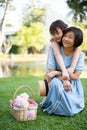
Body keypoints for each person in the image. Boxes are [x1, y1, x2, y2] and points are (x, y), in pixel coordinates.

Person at [40, 26, 85, 116]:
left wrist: (57, 72)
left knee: (70, 108)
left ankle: (66, 108)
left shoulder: (80, 54)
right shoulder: (54, 49)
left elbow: (76, 76)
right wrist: (62, 78)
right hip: (57, 79)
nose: (66, 39)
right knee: (56, 83)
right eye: (65, 36)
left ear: (76, 40)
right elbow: (51, 71)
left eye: (70, 37)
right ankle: (57, 108)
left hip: (73, 84)